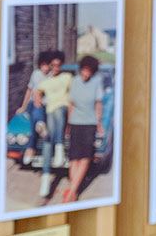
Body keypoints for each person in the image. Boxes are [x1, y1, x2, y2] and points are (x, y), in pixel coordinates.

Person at [65, 55, 104, 202]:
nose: (85, 74)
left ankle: (71, 192)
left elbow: (98, 105)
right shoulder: (74, 81)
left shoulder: (96, 82)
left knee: (85, 159)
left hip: (89, 124)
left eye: (88, 72)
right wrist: (68, 124)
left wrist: (99, 124)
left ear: (92, 72)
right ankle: (73, 192)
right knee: (74, 159)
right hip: (76, 123)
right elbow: (71, 105)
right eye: (83, 71)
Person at [34, 51, 72, 199]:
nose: (56, 67)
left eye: (58, 65)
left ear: (61, 65)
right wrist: (38, 100)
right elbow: (37, 94)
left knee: (56, 112)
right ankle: (46, 178)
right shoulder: (45, 82)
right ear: (49, 66)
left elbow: (72, 98)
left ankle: (59, 148)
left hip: (62, 111)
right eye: (53, 65)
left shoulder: (67, 77)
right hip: (51, 114)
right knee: (48, 138)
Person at [14, 50, 53, 166]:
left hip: (46, 105)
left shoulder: (52, 76)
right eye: (43, 65)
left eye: (47, 65)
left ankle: (30, 149)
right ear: (40, 64)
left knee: (35, 120)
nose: (45, 68)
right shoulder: (35, 74)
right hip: (33, 104)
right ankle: (40, 123)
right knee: (36, 109)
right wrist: (23, 106)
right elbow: (29, 90)